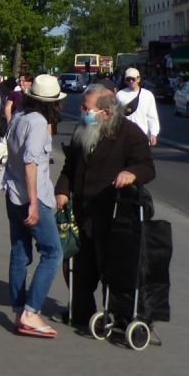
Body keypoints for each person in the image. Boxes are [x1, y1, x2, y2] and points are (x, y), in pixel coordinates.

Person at [56, 84, 155, 330]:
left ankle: (119, 316)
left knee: (113, 269)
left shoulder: (129, 133)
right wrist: (61, 191)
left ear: (106, 113)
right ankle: (81, 311)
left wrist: (131, 173)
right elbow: (70, 166)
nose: (82, 111)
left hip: (112, 213)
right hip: (81, 209)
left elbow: (147, 167)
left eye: (86, 108)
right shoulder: (83, 129)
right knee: (79, 266)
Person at [3, 72, 65, 337]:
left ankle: (20, 309)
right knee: (53, 253)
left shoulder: (18, 116)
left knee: (20, 253)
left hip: (13, 193)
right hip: (32, 195)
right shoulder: (39, 123)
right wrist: (35, 204)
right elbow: (31, 162)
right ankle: (31, 311)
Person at [117, 67, 160, 147]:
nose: (131, 81)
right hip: (125, 137)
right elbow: (116, 116)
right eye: (128, 79)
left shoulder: (147, 95)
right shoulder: (120, 95)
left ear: (138, 79)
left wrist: (154, 134)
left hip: (142, 135)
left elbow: (152, 116)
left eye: (133, 79)